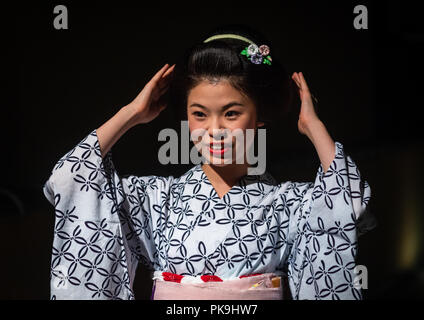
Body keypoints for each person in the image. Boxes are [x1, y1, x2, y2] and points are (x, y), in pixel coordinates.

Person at [43, 25, 374, 300]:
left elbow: (350, 203)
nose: (214, 130)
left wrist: (314, 129)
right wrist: (131, 114)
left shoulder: (287, 203)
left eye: (231, 113)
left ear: (259, 117)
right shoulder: (159, 199)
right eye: (199, 114)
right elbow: (70, 179)